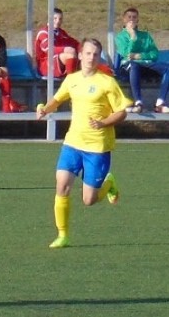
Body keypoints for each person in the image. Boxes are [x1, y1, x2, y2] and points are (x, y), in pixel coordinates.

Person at [36, 38, 131, 249]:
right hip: (73, 142)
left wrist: (103, 122)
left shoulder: (107, 82)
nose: (91, 58)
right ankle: (63, 235)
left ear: (99, 58)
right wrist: (44, 109)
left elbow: (122, 112)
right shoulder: (72, 79)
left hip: (97, 148)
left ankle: (109, 184)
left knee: (89, 200)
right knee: (62, 185)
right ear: (80, 55)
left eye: (95, 54)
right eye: (87, 53)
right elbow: (57, 100)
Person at [114, 7, 169, 114]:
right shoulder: (120, 37)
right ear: (124, 19)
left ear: (137, 20)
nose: (131, 19)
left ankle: (160, 103)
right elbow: (127, 54)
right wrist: (133, 36)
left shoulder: (146, 36)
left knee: (167, 68)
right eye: (129, 17)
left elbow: (154, 54)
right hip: (128, 68)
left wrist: (140, 55)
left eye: (134, 17)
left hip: (146, 65)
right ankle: (138, 102)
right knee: (134, 65)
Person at [34, 7, 79, 79]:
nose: (58, 21)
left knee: (84, 56)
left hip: (57, 61)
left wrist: (83, 50)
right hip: (45, 65)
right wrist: (64, 49)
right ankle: (70, 81)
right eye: (55, 18)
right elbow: (48, 49)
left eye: (60, 19)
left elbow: (75, 43)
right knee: (70, 56)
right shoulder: (43, 32)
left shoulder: (61, 32)